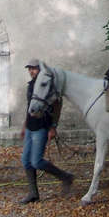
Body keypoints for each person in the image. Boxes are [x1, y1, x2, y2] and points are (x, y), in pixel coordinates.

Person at [20, 58, 74, 204]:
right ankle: (33, 194)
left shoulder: (48, 84)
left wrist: (53, 127)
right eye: (29, 68)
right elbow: (29, 107)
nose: (31, 71)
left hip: (42, 126)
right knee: (26, 161)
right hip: (30, 127)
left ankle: (66, 177)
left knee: (36, 161)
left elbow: (58, 105)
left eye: (34, 68)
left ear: (40, 70)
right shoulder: (31, 85)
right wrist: (24, 125)